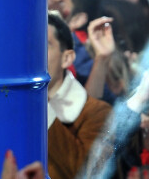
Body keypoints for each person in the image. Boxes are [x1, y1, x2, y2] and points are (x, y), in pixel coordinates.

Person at [46, 11, 111, 179]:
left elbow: (87, 173)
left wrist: (38, 104)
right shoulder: (5, 100)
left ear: (66, 58)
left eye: (43, 45)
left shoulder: (96, 112)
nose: (31, 53)